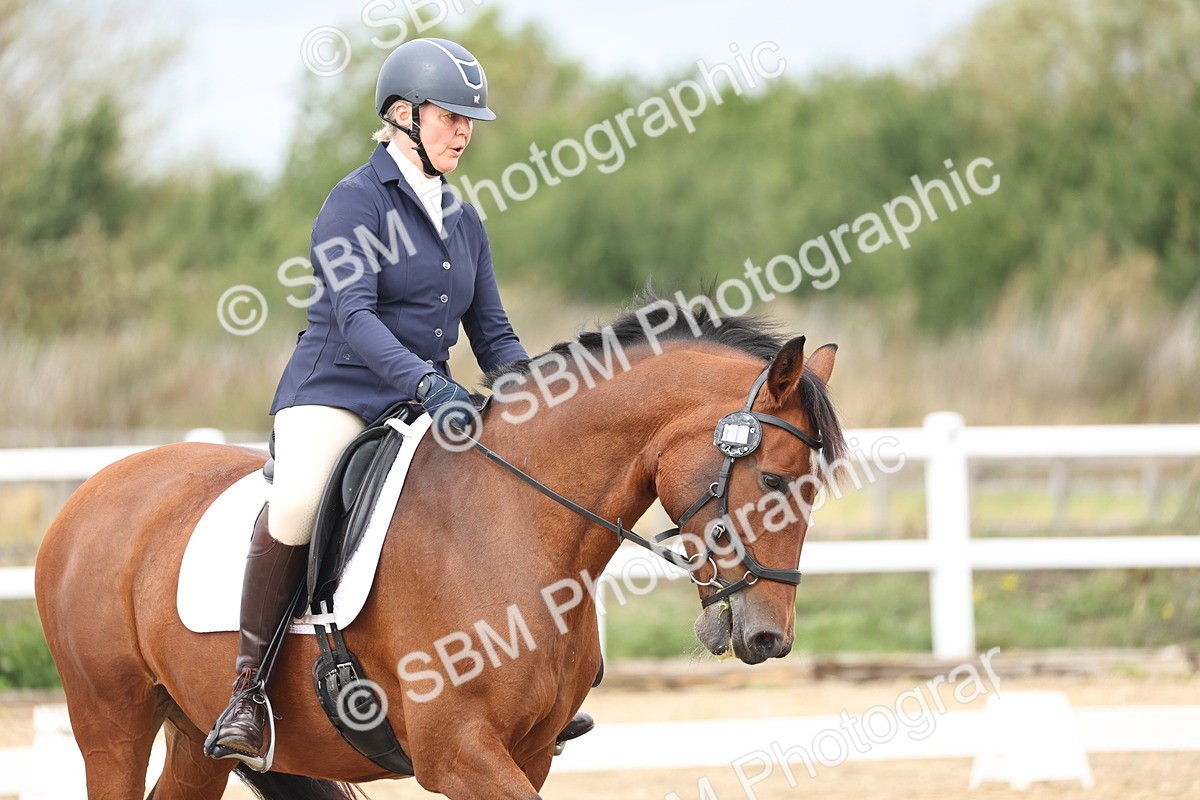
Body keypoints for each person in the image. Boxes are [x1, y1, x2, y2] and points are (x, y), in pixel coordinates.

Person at [207, 37, 592, 768]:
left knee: (501, 489)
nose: (464, 131)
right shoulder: (354, 201)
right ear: (404, 115)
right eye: (452, 117)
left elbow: (494, 331)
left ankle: (526, 684)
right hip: (338, 389)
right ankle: (247, 694)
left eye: (469, 120)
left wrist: (532, 400)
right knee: (296, 502)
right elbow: (352, 315)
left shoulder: (462, 217)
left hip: (424, 394)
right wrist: (423, 383)